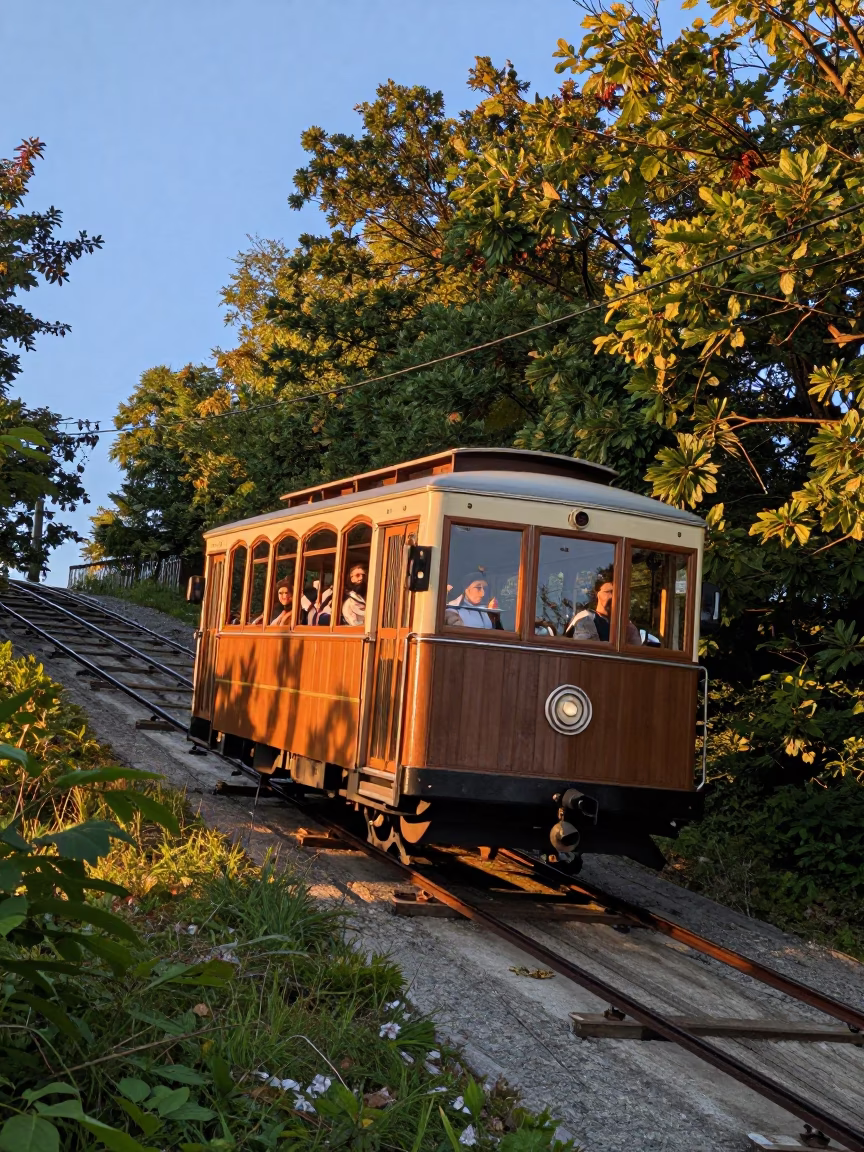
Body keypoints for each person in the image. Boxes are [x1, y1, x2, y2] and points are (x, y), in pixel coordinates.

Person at [565, 576, 641, 645]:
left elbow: (636, 650)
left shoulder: (627, 626)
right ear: (597, 594)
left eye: (616, 593)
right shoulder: (585, 618)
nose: (612, 597)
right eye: (608, 592)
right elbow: (587, 649)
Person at [341, 563, 367, 627]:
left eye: (362, 575)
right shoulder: (349, 602)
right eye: (357, 575)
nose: (360, 578)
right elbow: (355, 623)